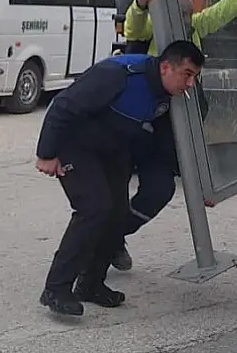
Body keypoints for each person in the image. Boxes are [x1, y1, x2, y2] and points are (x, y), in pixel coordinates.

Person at [34, 40, 206, 316]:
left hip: (112, 152)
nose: (190, 83)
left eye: (194, 77)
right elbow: (64, 105)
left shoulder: (168, 95)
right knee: (94, 208)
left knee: (115, 215)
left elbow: (168, 147)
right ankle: (55, 288)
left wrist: (198, 184)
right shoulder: (121, 74)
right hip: (75, 146)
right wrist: (47, 153)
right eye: (187, 74)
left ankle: (90, 284)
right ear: (165, 67)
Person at [109, 0, 237, 271]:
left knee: (158, 190)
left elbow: (223, 10)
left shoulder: (193, 27)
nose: (187, 20)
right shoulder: (151, 30)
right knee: (111, 191)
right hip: (136, 125)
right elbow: (134, 27)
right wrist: (141, 4)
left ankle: (113, 236)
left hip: (168, 130)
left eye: (189, 14)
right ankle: (104, 244)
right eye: (181, 14)